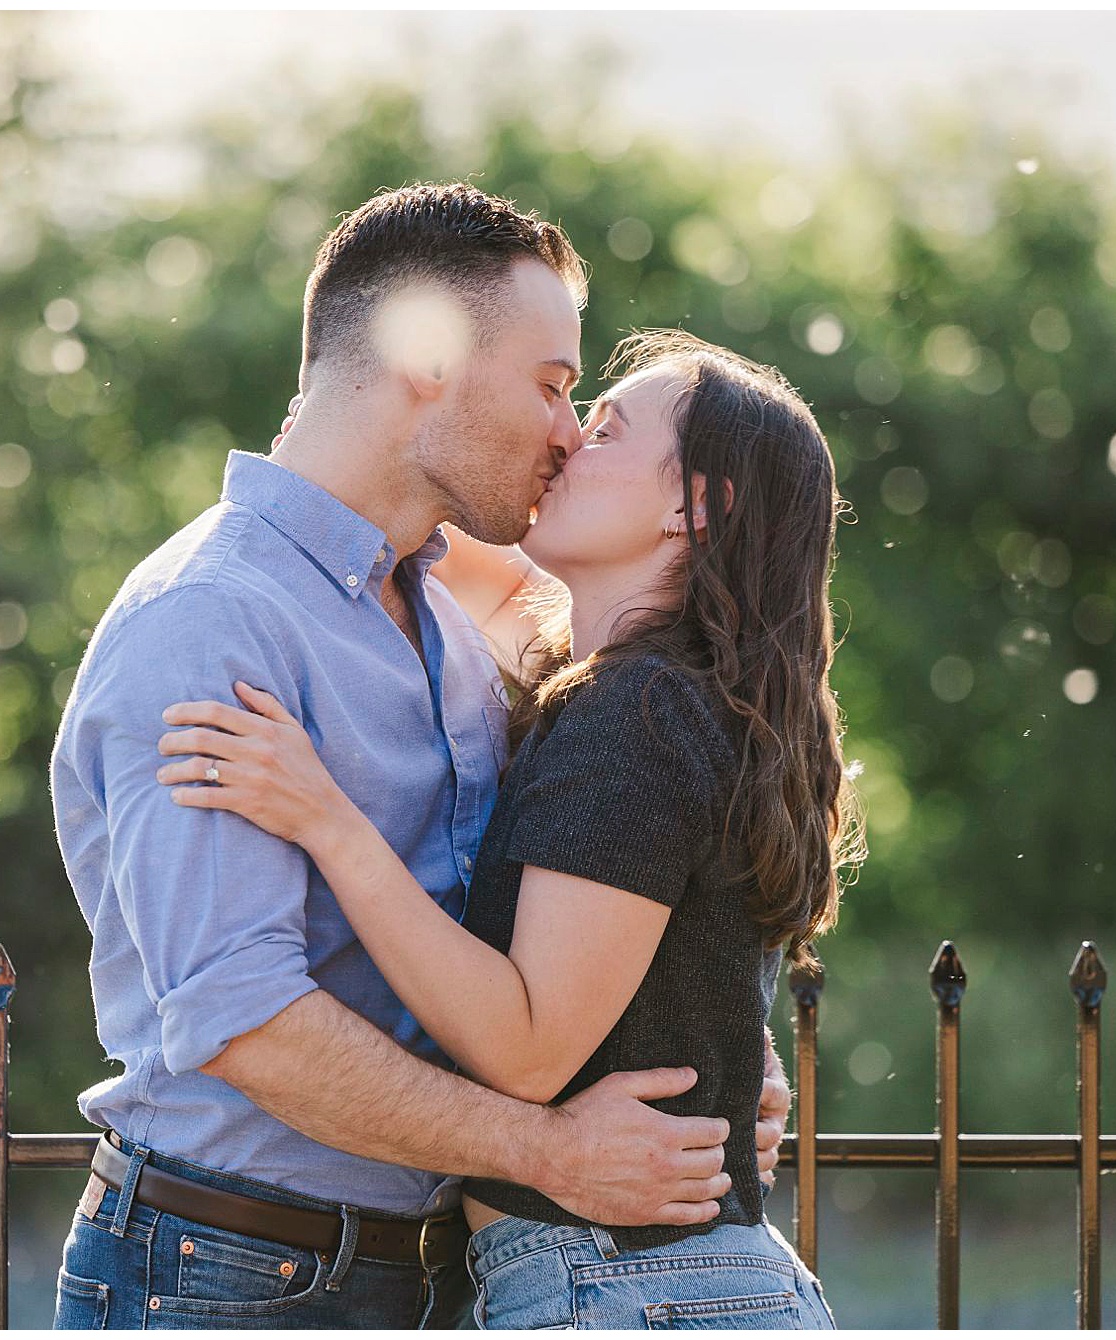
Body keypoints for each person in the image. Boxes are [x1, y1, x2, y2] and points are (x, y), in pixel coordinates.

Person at [48, 184, 789, 1329]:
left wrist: (717, 1048)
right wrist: (551, 1149)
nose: (563, 430)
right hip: (229, 1270)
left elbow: (558, 902)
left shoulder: (442, 626)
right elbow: (246, 1022)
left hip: (439, 1275)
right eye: (551, 386)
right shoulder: (210, 624)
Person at [155, 328, 859, 1328]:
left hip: (627, 1286)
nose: (570, 440)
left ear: (691, 506)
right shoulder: (678, 700)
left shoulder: (638, 712)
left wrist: (326, 820)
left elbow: (525, 1052)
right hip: (660, 1282)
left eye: (607, 428)